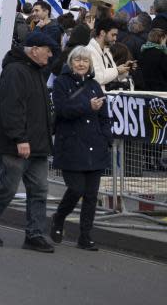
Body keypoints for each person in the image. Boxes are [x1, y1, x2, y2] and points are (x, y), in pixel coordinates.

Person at [0, 31, 58, 253]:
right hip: (16, 144)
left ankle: (35, 234)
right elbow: (12, 108)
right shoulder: (15, 71)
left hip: (37, 144)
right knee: (8, 188)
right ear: (34, 50)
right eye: (47, 51)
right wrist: (20, 139)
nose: (50, 55)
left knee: (39, 190)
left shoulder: (35, 70)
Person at [50, 46, 110, 251]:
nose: (82, 63)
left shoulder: (95, 85)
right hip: (71, 146)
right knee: (76, 189)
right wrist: (87, 107)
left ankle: (85, 236)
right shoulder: (61, 83)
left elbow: (104, 117)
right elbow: (63, 110)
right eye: (78, 60)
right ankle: (59, 218)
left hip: (95, 146)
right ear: (71, 62)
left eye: (85, 60)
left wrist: (106, 138)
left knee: (91, 196)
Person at [87, 18, 131, 90]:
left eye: (116, 35)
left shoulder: (107, 52)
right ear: (102, 33)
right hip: (95, 98)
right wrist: (117, 70)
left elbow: (113, 77)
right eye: (113, 35)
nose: (115, 38)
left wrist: (124, 70)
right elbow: (98, 78)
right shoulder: (89, 51)